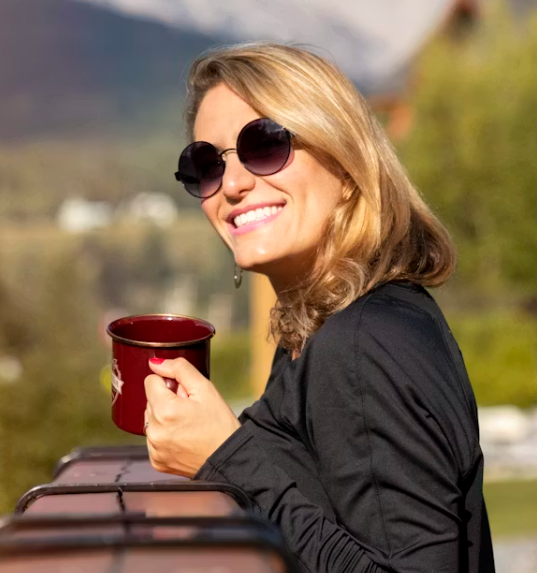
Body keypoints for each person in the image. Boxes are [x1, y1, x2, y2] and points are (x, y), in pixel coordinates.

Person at [143, 42, 495, 573]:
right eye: (206, 164)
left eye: (264, 144)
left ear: (347, 167)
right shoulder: (329, 330)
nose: (232, 185)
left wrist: (225, 458)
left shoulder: (360, 343)